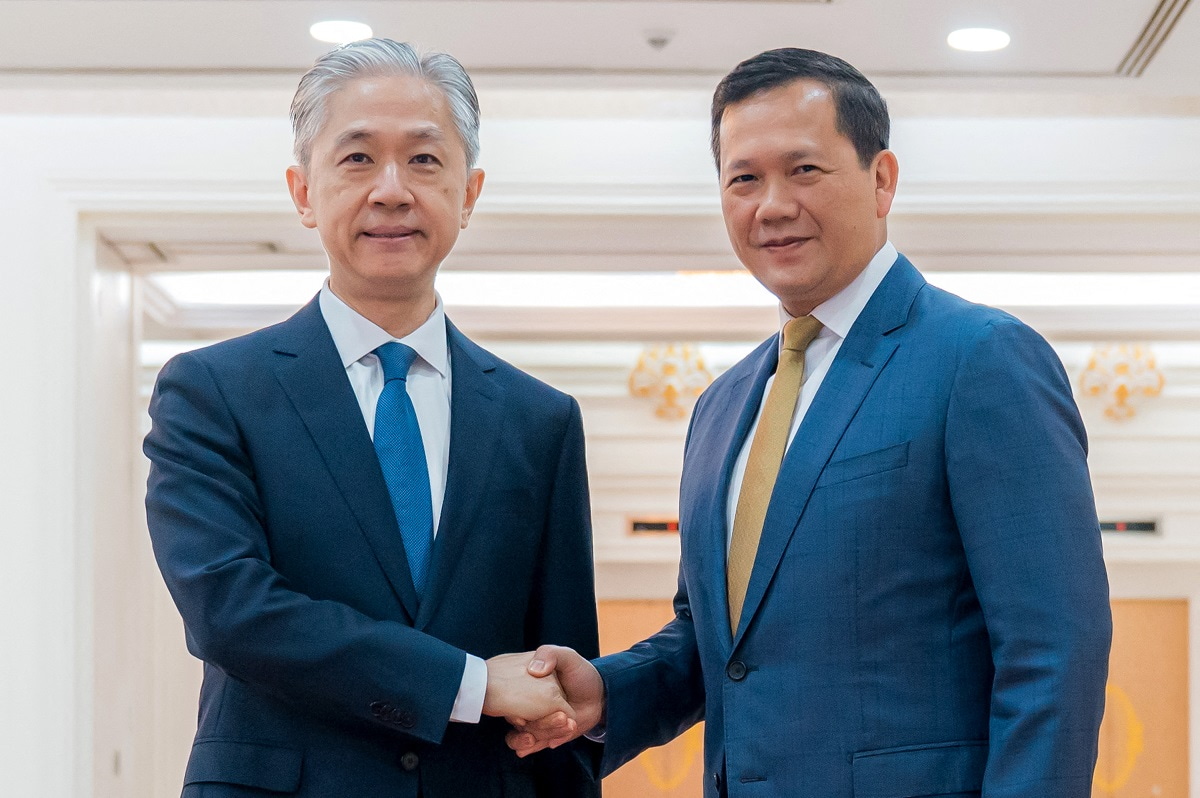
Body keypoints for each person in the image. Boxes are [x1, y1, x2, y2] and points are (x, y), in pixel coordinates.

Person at [509, 47, 1112, 797]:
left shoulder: (980, 359)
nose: (771, 205)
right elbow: (720, 645)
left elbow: (1055, 652)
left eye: (804, 170)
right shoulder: (722, 406)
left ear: (882, 179)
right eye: (743, 179)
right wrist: (607, 690)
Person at [144, 38, 599, 798]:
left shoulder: (540, 420)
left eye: (424, 159)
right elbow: (231, 611)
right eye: (357, 159)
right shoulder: (212, 392)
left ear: (470, 192)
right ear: (303, 191)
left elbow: (557, 686)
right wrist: (470, 684)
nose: (392, 190)